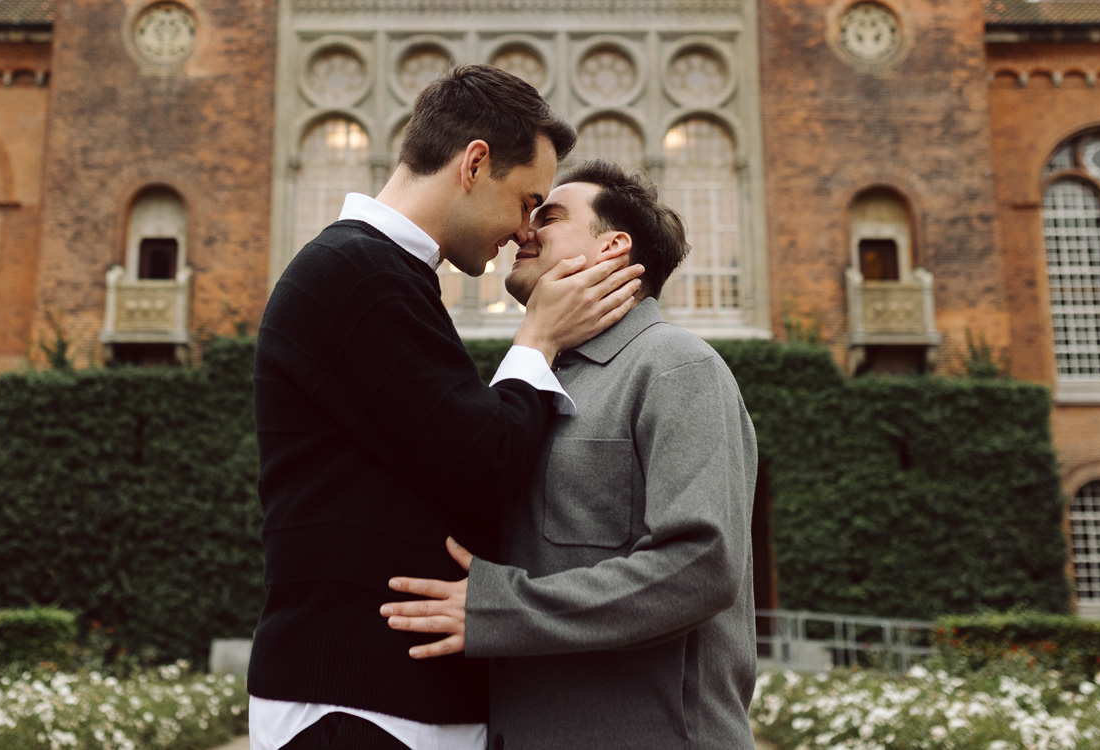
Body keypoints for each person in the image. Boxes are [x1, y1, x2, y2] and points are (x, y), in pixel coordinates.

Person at [249, 67, 647, 750]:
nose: (525, 231)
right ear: (474, 163)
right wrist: (540, 337)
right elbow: (480, 464)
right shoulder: (356, 273)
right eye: (528, 201)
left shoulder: (383, 274)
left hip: (391, 701)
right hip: (356, 706)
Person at [382, 159, 759, 749]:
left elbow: (701, 566)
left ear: (612, 247)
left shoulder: (678, 368)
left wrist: (501, 610)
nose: (523, 229)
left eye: (549, 216)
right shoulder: (534, 380)